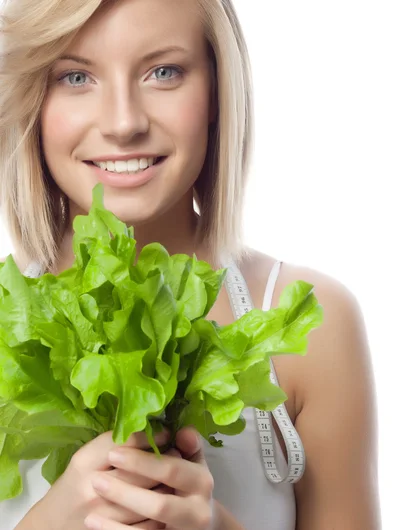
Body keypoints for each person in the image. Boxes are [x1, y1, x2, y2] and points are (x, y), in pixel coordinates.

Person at [0, 0, 380, 529]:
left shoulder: (309, 327)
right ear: (31, 97)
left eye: (163, 72)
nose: (123, 123)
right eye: (76, 76)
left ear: (218, 92)